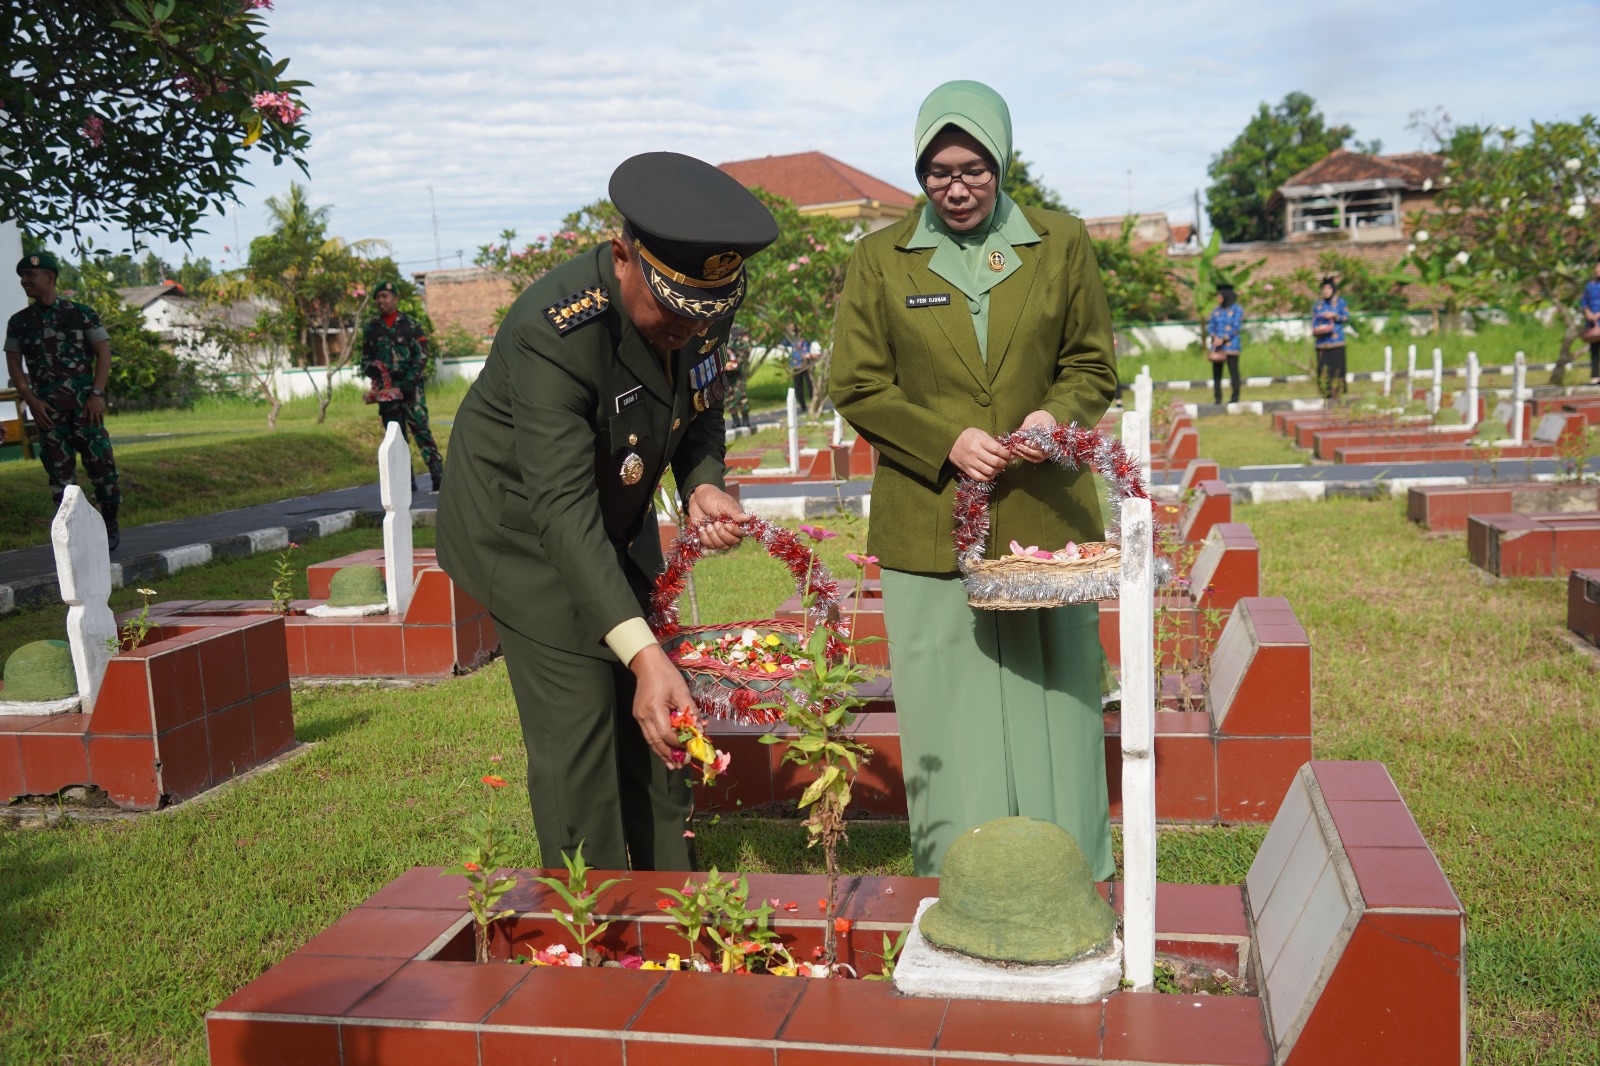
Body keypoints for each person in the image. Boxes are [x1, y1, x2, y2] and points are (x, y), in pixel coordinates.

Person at [436, 152, 776, 872]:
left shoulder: (699, 304)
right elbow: (559, 509)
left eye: (704, 314)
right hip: (520, 533)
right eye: (674, 311)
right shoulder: (553, 330)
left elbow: (701, 406)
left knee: (658, 713)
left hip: (611, 521)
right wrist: (643, 653)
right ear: (623, 257)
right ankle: (593, 930)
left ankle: (670, 900)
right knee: (582, 723)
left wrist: (703, 484)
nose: (689, 328)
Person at [829, 81, 1118, 880]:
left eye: (973, 168)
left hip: (1042, 508)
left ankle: (1070, 866)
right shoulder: (881, 258)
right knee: (946, 700)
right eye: (937, 171)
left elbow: (1092, 362)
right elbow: (856, 384)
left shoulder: (1059, 242)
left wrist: (1048, 420)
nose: (955, 187)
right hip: (928, 516)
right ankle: (958, 868)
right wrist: (947, 441)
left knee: (1055, 692)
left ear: (1001, 160)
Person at [4, 251, 124, 550]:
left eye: (31, 275)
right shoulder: (20, 322)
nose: (25, 281)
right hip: (48, 413)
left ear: (50, 278)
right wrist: (30, 399)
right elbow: (15, 366)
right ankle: (72, 538)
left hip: (86, 408)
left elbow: (103, 352)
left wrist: (97, 394)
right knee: (61, 480)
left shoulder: (79, 313)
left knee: (103, 470)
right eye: (22, 276)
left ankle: (109, 525)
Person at [361, 280, 443, 492]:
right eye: (378, 297)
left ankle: (438, 476)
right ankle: (406, 484)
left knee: (421, 431)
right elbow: (365, 360)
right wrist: (375, 369)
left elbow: (422, 356)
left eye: (385, 296)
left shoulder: (411, 326)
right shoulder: (371, 329)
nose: (381, 301)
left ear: (395, 299)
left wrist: (409, 381)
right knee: (395, 437)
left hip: (411, 389)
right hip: (387, 394)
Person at [1311, 277, 1350, 400]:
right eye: (1324, 289)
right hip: (1322, 342)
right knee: (1323, 369)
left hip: (1336, 342)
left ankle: (1336, 392)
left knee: (1337, 368)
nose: (1326, 291)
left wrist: (1335, 315)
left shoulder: (1340, 303)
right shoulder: (1318, 305)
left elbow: (1346, 318)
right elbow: (1314, 321)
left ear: (1333, 290)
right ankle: (1326, 393)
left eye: (1328, 288)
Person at [1207, 283, 1244, 405]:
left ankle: (1235, 397)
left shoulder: (1236, 309)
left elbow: (1236, 326)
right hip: (1217, 347)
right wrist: (1214, 336)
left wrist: (1224, 338)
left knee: (1233, 373)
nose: (1218, 298)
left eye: (1220, 295)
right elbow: (1211, 326)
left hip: (1231, 346)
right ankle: (1217, 398)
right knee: (1217, 374)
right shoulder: (1216, 311)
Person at [722, 323, 751, 430]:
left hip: (738, 370)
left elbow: (746, 349)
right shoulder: (718, 329)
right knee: (729, 396)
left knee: (741, 394)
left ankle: (746, 419)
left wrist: (736, 364)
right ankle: (736, 420)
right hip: (725, 371)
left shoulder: (738, 330)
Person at [1581, 261, 1600, 386]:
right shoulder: (1590, 286)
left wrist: (1598, 314)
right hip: (1593, 324)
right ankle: (1595, 376)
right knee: (1594, 350)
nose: (1597, 269)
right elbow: (1584, 302)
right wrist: (1588, 314)